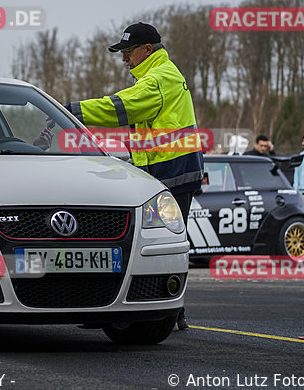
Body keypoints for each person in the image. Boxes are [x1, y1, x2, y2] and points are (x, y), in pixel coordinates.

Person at [64, 22, 203, 331]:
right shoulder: (160, 75)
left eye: (128, 52)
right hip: (167, 170)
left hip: (171, 171)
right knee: (159, 241)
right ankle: (163, 311)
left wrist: (68, 112)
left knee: (160, 244)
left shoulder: (157, 80)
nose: (124, 59)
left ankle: (166, 312)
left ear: (147, 50)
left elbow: (118, 108)